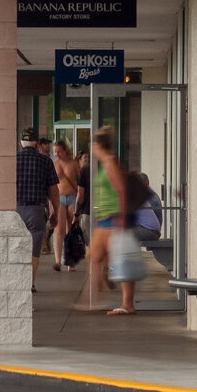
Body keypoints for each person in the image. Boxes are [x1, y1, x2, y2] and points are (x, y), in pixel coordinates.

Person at [88, 130, 137, 315]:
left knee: (122, 260)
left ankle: (127, 304)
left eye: (93, 145)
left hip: (113, 220)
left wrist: (121, 219)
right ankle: (97, 296)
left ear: (99, 145)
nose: (91, 148)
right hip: (104, 220)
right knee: (93, 256)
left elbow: (121, 191)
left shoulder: (110, 164)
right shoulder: (104, 164)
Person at [14, 129, 56, 290]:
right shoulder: (46, 162)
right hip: (36, 211)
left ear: (20, 144)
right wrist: (55, 212)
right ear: (37, 144)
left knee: (15, 248)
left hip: (15, 210)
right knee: (34, 250)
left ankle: (17, 283)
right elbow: (54, 192)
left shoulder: (12, 161)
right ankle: (29, 284)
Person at [51, 140, 79, 269]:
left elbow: (80, 182)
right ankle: (58, 260)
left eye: (59, 151)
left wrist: (81, 200)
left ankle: (70, 261)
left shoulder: (74, 164)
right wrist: (50, 202)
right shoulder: (54, 164)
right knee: (58, 230)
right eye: (55, 151)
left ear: (65, 150)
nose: (57, 154)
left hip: (72, 197)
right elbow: (51, 185)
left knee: (71, 230)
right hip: (59, 198)